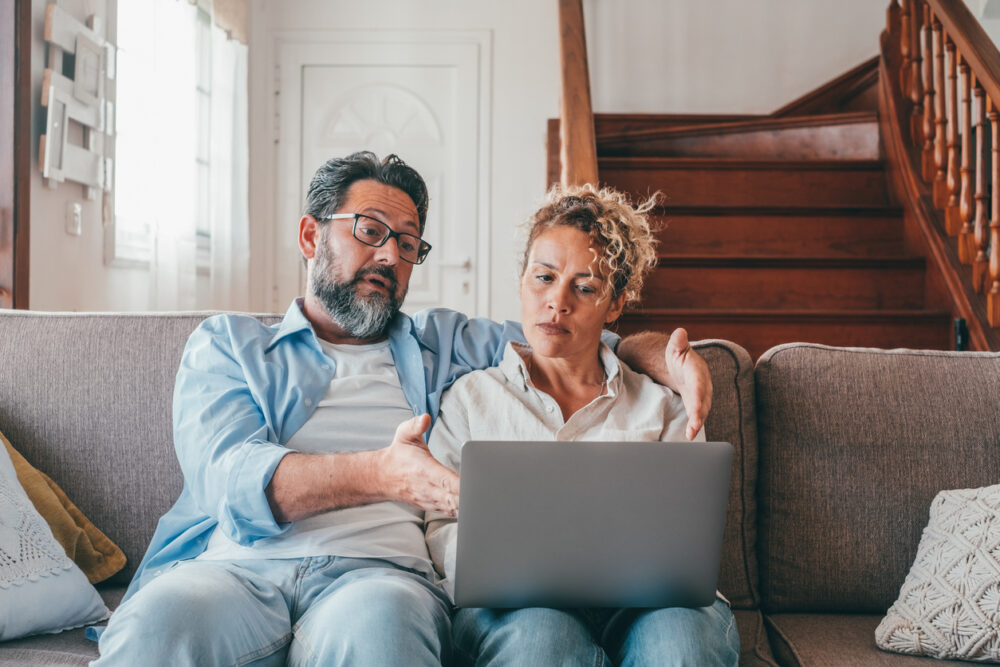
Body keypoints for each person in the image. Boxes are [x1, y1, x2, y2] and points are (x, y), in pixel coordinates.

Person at [91, 152, 712, 666]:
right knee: (153, 627)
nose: (391, 256)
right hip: (233, 568)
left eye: (409, 244)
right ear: (311, 235)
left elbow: (574, 335)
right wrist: (384, 475)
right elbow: (229, 480)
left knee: (383, 633)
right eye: (369, 231)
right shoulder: (229, 345)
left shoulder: (445, 344)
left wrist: (670, 357)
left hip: (380, 576)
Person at [426, 184, 740, 667]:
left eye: (585, 286)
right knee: (539, 646)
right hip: (517, 609)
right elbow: (442, 524)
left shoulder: (664, 406)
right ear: (521, 283)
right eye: (544, 277)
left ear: (615, 306)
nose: (558, 301)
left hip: (650, 607)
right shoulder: (471, 399)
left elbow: (688, 534)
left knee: (679, 647)